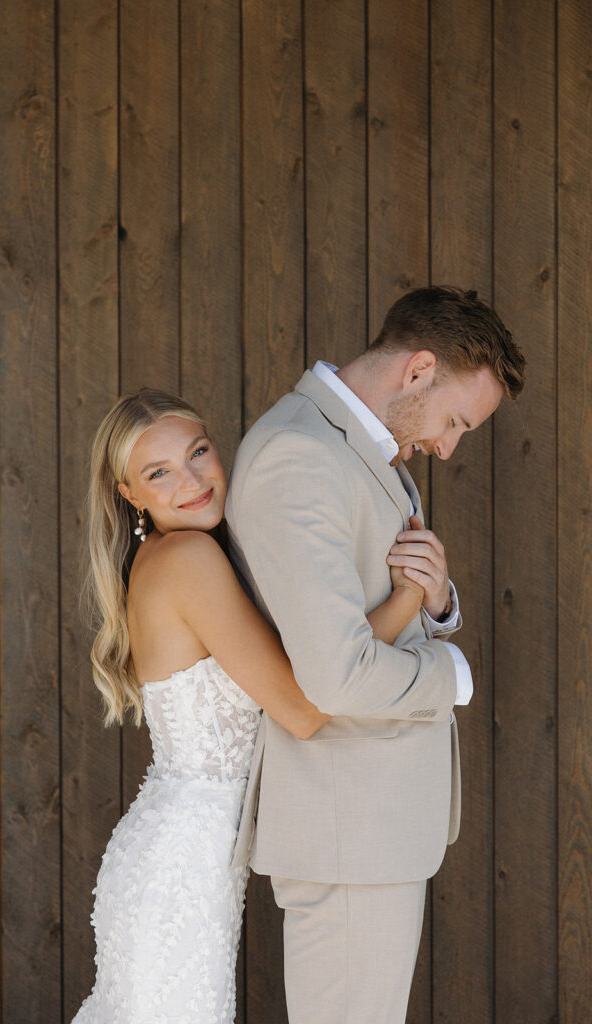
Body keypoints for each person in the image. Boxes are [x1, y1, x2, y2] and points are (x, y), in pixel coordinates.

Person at [71, 388, 428, 1024]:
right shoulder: (187, 558)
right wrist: (405, 600)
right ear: (131, 495)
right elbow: (302, 708)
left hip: (183, 855)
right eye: (160, 473)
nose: (192, 480)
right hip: (181, 872)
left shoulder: (184, 555)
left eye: (198, 452)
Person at [226, 286, 526, 1023]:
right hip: (345, 827)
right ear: (418, 369)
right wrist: (449, 675)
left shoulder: (357, 447)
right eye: (454, 421)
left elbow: (367, 601)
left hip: (369, 827)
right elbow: (337, 674)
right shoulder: (300, 455)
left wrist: (436, 601)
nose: (449, 448)